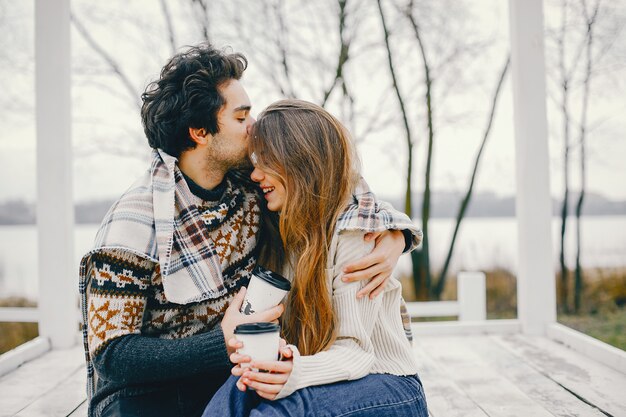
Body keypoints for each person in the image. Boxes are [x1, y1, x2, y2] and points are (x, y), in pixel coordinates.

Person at [78, 44, 421, 417]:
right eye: (242, 118)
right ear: (200, 132)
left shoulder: (249, 188)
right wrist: (220, 343)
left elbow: (325, 176)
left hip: (226, 375)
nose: (254, 127)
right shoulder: (133, 223)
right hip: (146, 394)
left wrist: (393, 233)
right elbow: (112, 355)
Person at [202, 100, 428, 417]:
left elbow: (356, 353)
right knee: (232, 396)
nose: (255, 174)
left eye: (266, 162)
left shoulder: (357, 234)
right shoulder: (277, 229)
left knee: (283, 412)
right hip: (319, 378)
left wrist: (294, 370)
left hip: (387, 387)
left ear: (299, 162)